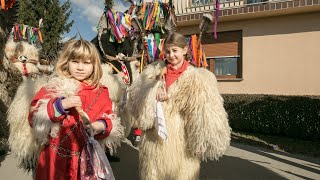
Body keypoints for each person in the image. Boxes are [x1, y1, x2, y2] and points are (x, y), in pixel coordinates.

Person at [127, 32, 231, 180]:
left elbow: (203, 115)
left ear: (185, 50)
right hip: (153, 142)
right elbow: (136, 104)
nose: (171, 55)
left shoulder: (196, 78)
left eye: (175, 50)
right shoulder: (153, 72)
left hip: (182, 146)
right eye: (168, 51)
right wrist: (154, 94)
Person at [28, 39, 123, 180]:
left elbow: (109, 117)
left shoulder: (101, 92)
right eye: (75, 61)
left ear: (94, 65)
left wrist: (100, 125)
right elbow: (34, 116)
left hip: (86, 160)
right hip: (55, 158)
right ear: (66, 62)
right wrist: (61, 105)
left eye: (86, 63)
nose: (80, 67)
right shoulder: (55, 86)